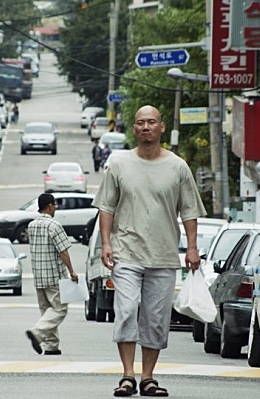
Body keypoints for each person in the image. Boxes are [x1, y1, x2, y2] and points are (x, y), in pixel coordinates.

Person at [92, 105, 206, 397]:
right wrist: (106, 243)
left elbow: (190, 211)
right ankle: (127, 375)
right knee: (127, 310)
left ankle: (148, 377)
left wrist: (192, 248)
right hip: (126, 252)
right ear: (134, 129)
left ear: (161, 127)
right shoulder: (119, 164)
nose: (146, 127)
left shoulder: (178, 166)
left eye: (151, 122)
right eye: (140, 122)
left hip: (163, 254)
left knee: (155, 319)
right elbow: (106, 207)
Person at [25, 193, 79, 356]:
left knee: (47, 311)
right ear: (49, 206)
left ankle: (51, 346)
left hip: (39, 276)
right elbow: (63, 251)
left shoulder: (32, 225)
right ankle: (38, 333)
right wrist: (71, 271)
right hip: (54, 275)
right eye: (54, 205)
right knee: (59, 310)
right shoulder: (54, 225)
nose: (55, 208)